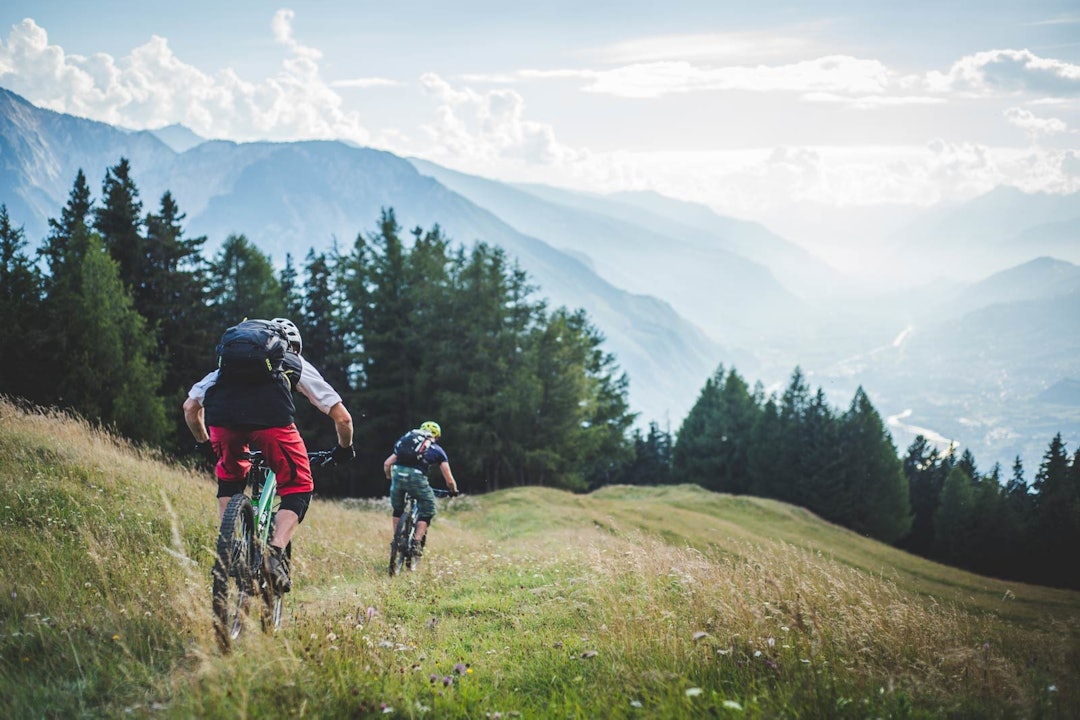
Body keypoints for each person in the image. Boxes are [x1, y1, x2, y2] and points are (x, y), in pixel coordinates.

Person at [183, 317, 354, 592]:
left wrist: (204, 443)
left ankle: (230, 547)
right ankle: (274, 556)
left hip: (224, 424)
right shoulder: (294, 362)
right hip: (272, 425)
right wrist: (344, 449)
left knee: (230, 476)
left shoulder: (227, 367)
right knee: (299, 486)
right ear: (291, 346)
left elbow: (190, 408)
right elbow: (343, 418)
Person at [383, 420, 459, 557]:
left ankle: (397, 540)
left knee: (398, 509)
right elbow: (449, 479)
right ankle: (416, 542)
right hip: (416, 477)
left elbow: (387, 464)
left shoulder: (408, 444)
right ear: (437, 436)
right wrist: (453, 491)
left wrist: (391, 478)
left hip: (397, 474)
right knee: (428, 509)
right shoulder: (437, 450)